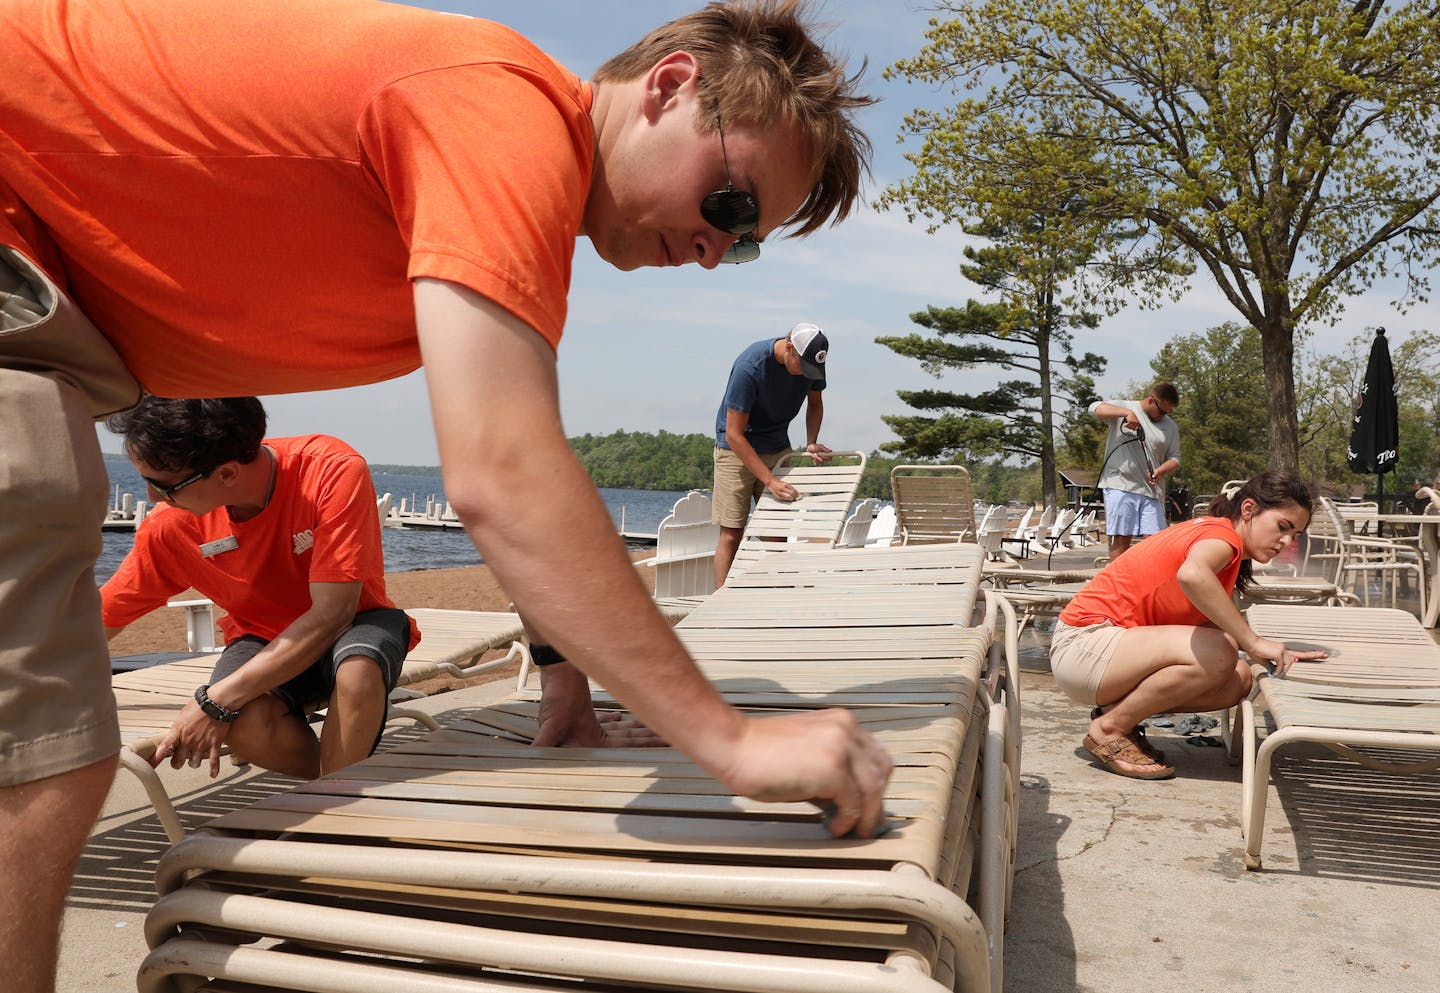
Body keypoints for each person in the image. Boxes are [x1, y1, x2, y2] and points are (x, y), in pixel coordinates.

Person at [0, 2, 887, 986]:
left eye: (749, 240)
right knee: (43, 754)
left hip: (37, 293)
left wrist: (564, 684)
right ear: (670, 87)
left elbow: (514, 466)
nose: (721, 248)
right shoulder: (504, 111)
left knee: (45, 741)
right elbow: (502, 475)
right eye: (729, 203)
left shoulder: (508, 171)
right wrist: (731, 740)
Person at [100, 397, 422, 780]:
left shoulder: (329, 470)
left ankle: (337, 802)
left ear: (227, 474)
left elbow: (334, 614)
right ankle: (338, 788)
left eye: (162, 485)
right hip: (260, 636)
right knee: (242, 722)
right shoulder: (170, 527)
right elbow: (105, 615)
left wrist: (214, 701)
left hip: (357, 620)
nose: (151, 497)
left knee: (356, 671)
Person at [1048, 471, 1327, 780]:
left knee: (1239, 678)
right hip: (1084, 645)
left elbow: (1207, 624)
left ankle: (1116, 716)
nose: (1286, 542)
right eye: (1282, 527)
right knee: (1222, 649)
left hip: (1103, 655)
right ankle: (1109, 729)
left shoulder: (1224, 549)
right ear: (1248, 510)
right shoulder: (1222, 537)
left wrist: (1256, 650)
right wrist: (1252, 641)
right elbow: (1192, 575)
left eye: (1295, 535)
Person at [711, 322, 832, 585]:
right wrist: (770, 481)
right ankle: (718, 602)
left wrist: (811, 442)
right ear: (789, 348)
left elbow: (815, 403)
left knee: (777, 532)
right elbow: (734, 433)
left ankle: (773, 594)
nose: (806, 375)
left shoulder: (811, 364)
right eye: (802, 366)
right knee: (732, 532)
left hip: (777, 446)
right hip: (735, 450)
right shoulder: (750, 367)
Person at [1090, 382, 1182, 558]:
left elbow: (1175, 458)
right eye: (1162, 411)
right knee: (1122, 538)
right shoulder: (1125, 407)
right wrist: (1127, 414)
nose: (1164, 415)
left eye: (1168, 412)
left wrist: (1162, 470)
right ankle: (1117, 582)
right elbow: (1094, 408)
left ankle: (1146, 582)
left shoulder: (1170, 426)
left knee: (1154, 541)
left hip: (1152, 490)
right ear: (1150, 400)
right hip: (1120, 484)